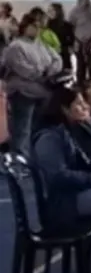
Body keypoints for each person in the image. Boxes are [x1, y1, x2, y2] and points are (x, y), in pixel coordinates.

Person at [33, 84, 91, 231]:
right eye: (79, 104)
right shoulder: (49, 137)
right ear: (64, 109)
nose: (85, 107)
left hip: (81, 190)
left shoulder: (77, 129)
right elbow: (58, 176)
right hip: (66, 201)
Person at [1, 13, 63, 162]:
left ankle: (32, 159)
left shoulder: (41, 44)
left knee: (36, 128)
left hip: (42, 93)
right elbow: (23, 69)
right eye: (33, 26)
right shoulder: (15, 46)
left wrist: (49, 71)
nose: (37, 30)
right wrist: (42, 72)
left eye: (38, 27)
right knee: (22, 130)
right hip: (22, 93)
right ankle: (20, 161)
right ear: (25, 27)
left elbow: (57, 60)